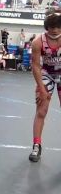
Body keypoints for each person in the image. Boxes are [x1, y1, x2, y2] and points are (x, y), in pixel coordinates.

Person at [29, 10, 61, 162]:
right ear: (46, 27)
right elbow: (35, 66)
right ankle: (36, 146)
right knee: (41, 111)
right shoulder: (37, 42)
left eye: (58, 26)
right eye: (51, 27)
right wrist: (41, 89)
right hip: (46, 74)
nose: (54, 30)